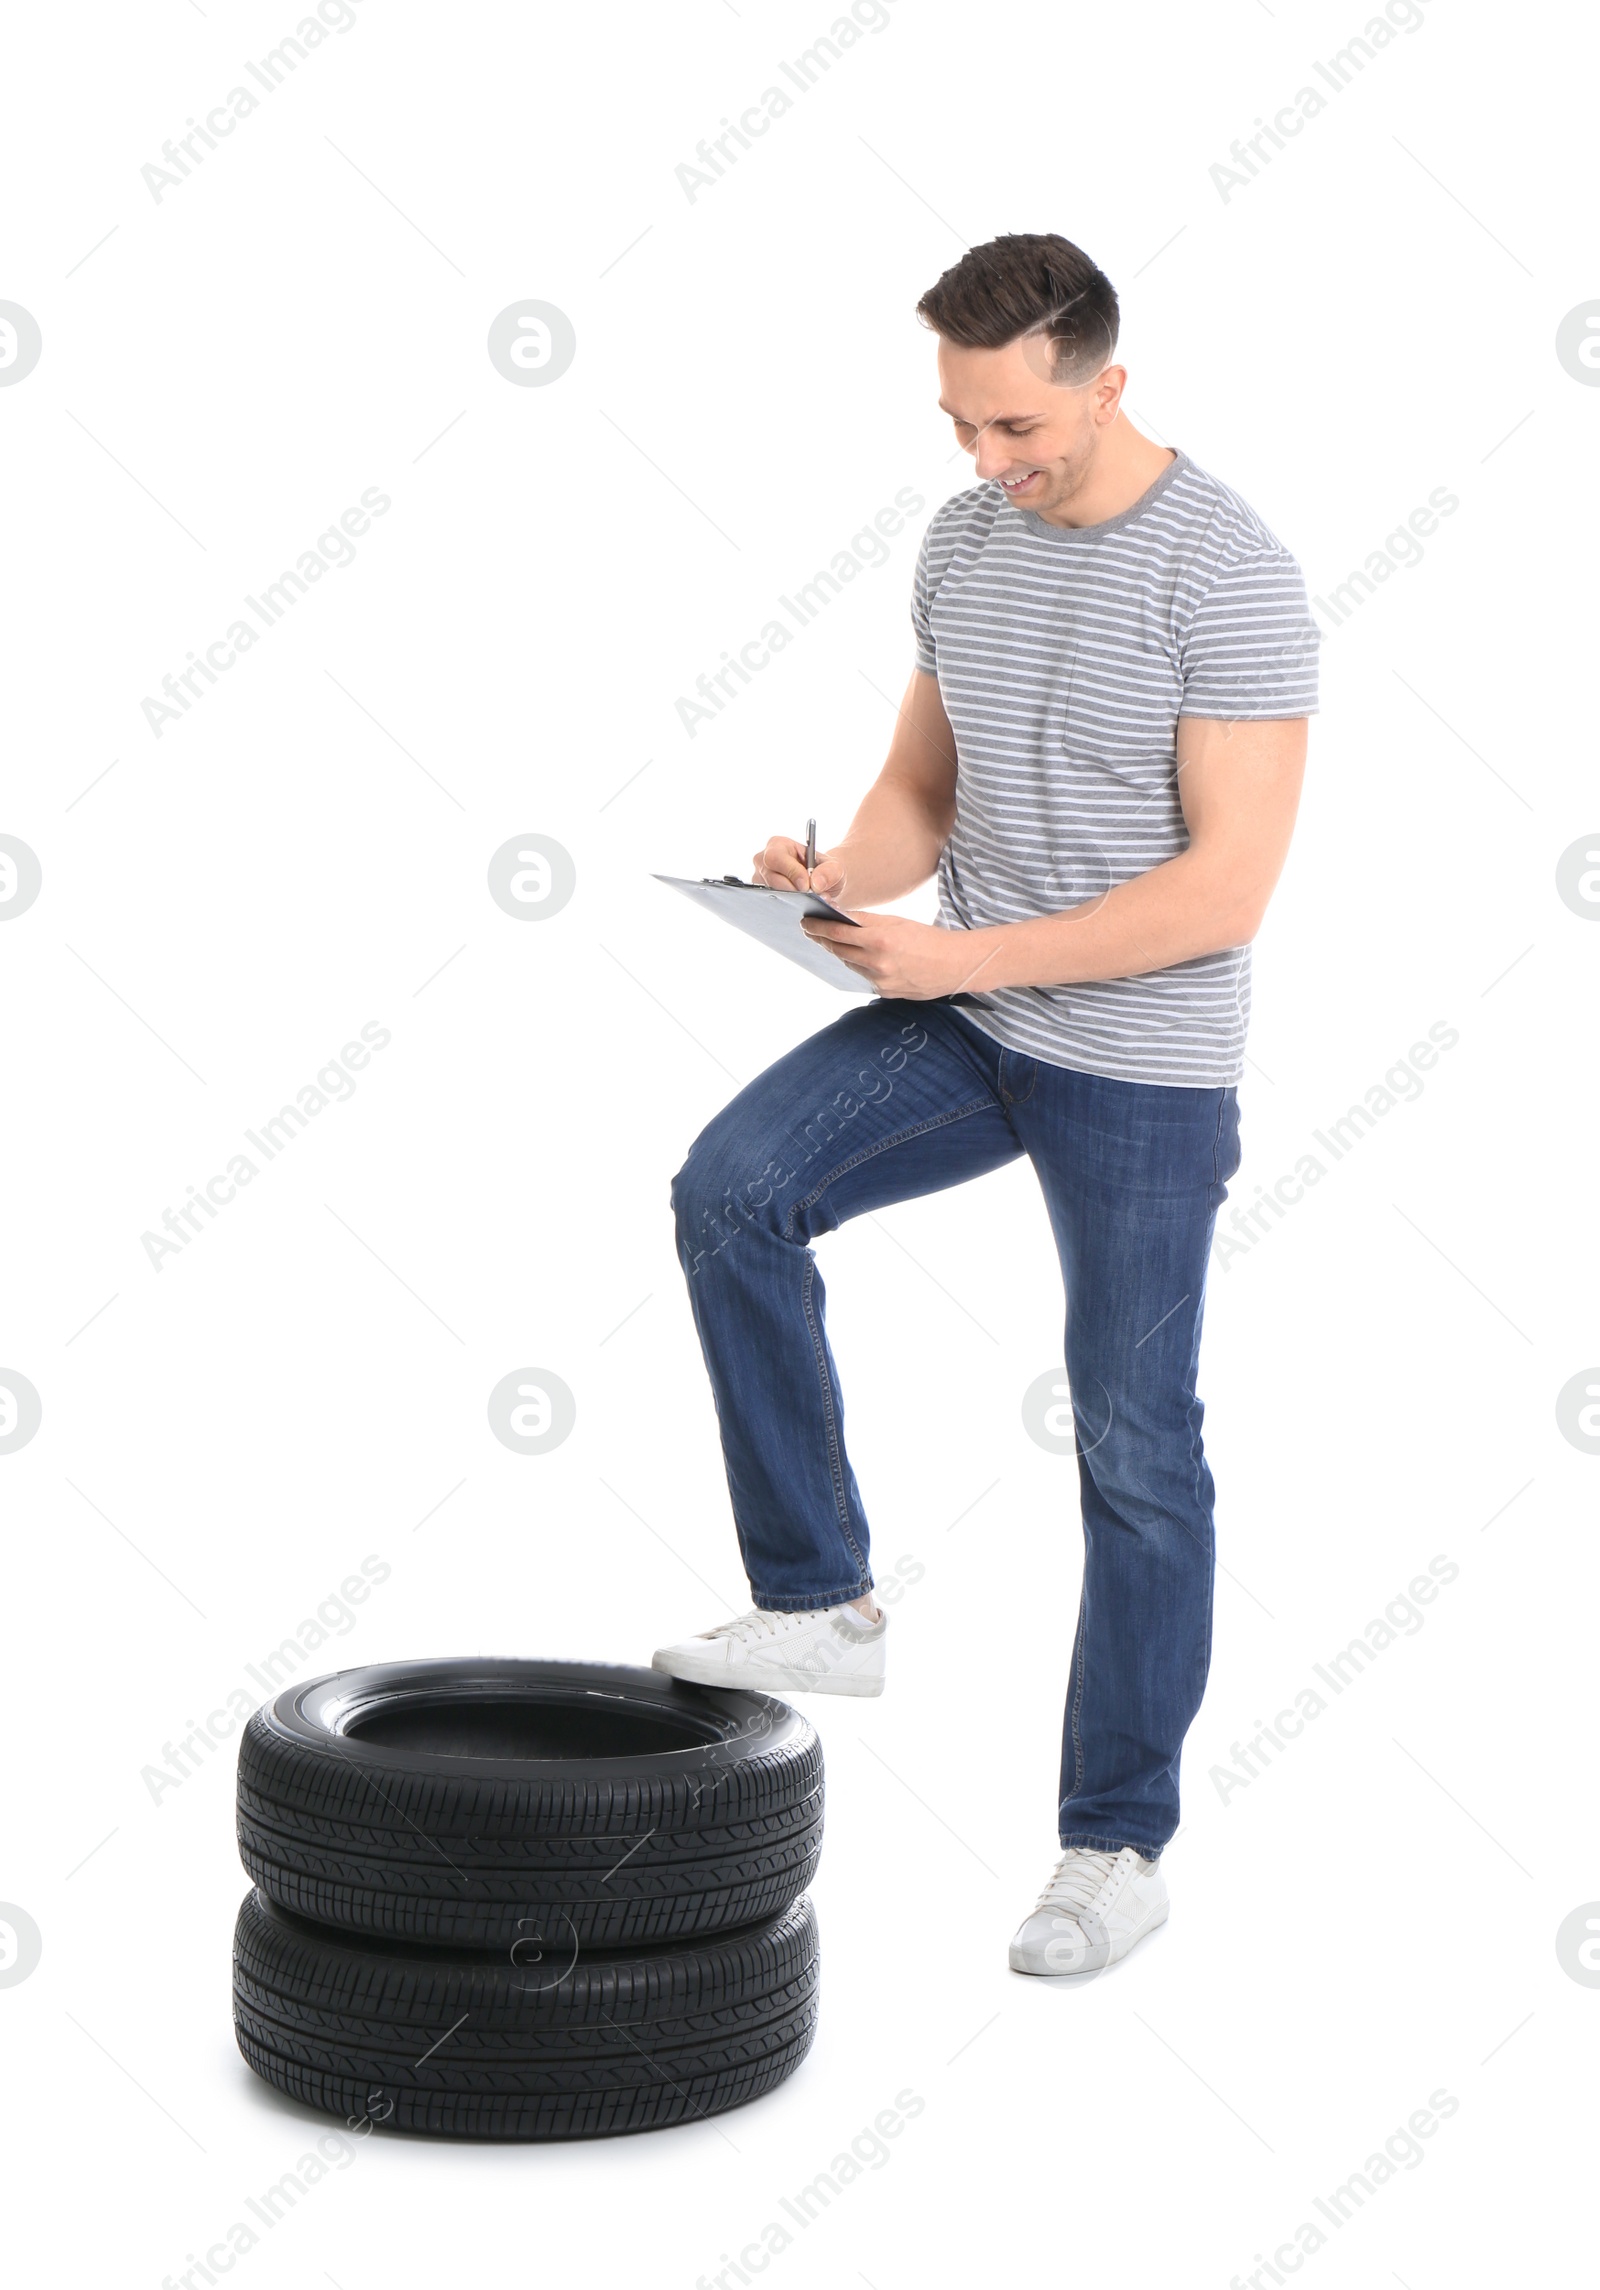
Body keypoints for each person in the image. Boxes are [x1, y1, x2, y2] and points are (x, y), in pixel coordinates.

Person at [652, 232, 1319, 1977]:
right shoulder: (964, 540)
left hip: (1144, 1063)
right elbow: (919, 795)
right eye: (960, 425)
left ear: (1108, 377)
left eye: (1017, 426)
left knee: (1134, 1445)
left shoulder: (1228, 573)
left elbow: (1225, 895)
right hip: (976, 1009)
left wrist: (967, 959)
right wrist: (827, 869)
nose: (987, 463)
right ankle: (822, 1599)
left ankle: (1115, 1844)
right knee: (731, 1190)